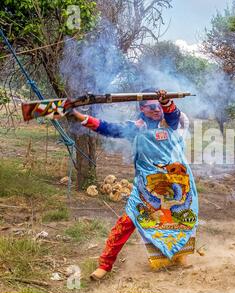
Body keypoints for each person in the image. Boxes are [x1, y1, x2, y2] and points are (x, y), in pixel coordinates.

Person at [70, 89, 198, 281]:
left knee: (179, 217)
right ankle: (105, 265)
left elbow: (173, 114)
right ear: (142, 108)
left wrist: (165, 101)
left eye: (159, 106)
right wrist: (77, 115)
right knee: (127, 222)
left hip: (175, 183)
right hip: (146, 187)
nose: (157, 110)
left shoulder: (170, 123)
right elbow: (106, 128)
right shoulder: (135, 127)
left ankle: (180, 256)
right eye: (152, 106)